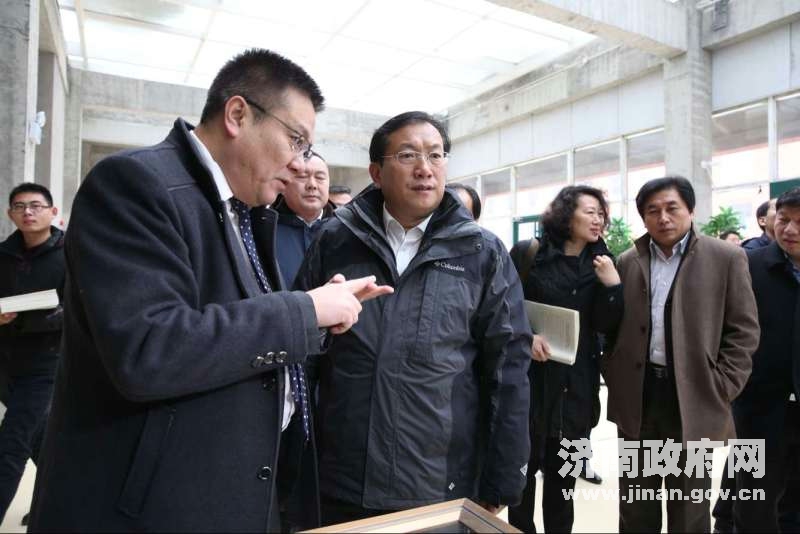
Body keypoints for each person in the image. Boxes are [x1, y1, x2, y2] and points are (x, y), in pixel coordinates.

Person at [28, 49, 392, 532]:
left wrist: (318, 314)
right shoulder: (137, 184)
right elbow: (149, 348)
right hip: (148, 507)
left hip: (223, 491)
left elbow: (229, 327)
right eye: (296, 140)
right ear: (237, 114)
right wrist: (304, 311)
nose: (299, 164)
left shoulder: (240, 208)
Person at [297, 111, 532, 526]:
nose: (425, 168)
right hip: (341, 477)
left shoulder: (481, 252)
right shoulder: (334, 241)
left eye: (436, 155)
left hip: (437, 482)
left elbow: (508, 369)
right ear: (376, 172)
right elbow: (302, 357)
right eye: (407, 155)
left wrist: (502, 476)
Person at [603, 176, 759, 532]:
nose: (663, 218)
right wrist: (613, 371)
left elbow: (744, 330)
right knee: (636, 504)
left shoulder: (726, 258)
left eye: (672, 208)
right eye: (652, 210)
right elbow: (611, 328)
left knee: (689, 507)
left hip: (693, 396)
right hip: (640, 397)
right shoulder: (628, 261)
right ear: (643, 217)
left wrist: (722, 385)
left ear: (690, 209)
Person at [507, 185, 623, 533]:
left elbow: (606, 325)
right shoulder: (529, 253)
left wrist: (612, 287)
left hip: (578, 390)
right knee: (521, 481)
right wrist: (525, 337)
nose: (598, 219)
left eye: (601, 213)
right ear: (565, 215)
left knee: (564, 487)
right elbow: (503, 307)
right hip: (530, 384)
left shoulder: (604, 263)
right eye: (590, 212)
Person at [731, 187, 800, 532]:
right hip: (757, 404)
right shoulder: (748, 264)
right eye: (784, 220)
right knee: (752, 495)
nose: (789, 230)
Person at [0, 184, 63, 524]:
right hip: (7, 363)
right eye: (19, 206)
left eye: (36, 206)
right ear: (10, 214)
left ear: (53, 212)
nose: (28, 212)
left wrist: (30, 318)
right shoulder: (3, 255)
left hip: (48, 362)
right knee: (36, 437)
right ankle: (62, 504)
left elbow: (83, 309)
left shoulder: (73, 254)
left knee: (12, 442)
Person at [273, 151, 335, 286]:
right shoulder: (266, 230)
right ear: (285, 184)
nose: (312, 185)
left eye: (320, 177)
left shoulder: (344, 230)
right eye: (302, 177)